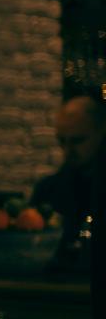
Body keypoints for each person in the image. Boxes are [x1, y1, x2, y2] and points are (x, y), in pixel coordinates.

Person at [30, 95, 106, 264]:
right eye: (62, 141)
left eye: (78, 140)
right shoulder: (48, 189)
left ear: (101, 132)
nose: (67, 150)